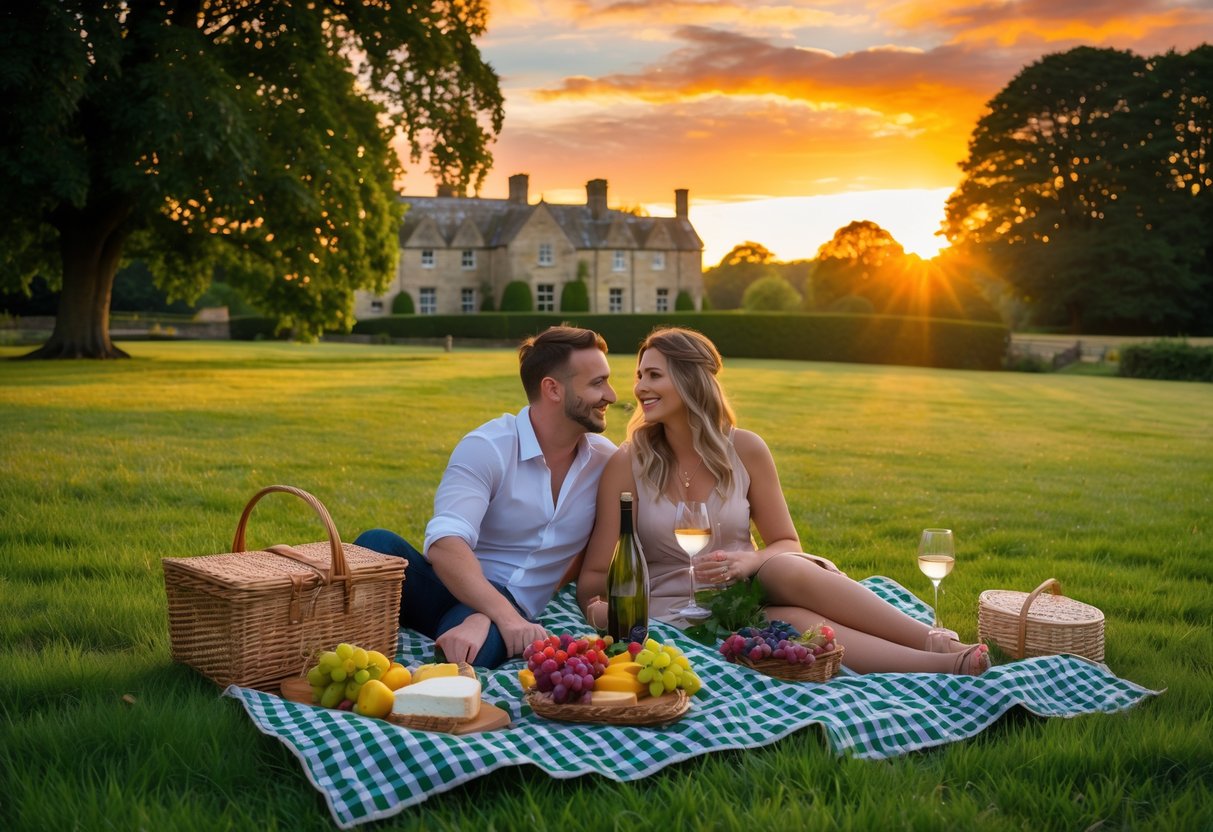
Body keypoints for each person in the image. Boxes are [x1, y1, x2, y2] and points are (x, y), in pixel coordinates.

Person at [576, 326, 990, 675]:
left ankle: (936, 640)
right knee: (794, 624)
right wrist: (601, 612)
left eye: (653, 375)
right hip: (680, 607)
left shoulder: (747, 449)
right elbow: (595, 577)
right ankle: (943, 666)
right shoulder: (628, 463)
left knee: (783, 567)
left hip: (758, 581)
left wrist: (749, 561)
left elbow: (787, 541)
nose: (639, 388)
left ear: (690, 380)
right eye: (639, 375)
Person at [356, 325, 617, 668]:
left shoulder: (606, 461)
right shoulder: (488, 446)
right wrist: (505, 617)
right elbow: (445, 544)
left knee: (474, 652)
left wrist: (485, 617)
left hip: (513, 604)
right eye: (597, 383)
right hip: (452, 584)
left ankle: (469, 626)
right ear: (552, 389)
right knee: (375, 545)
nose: (611, 395)